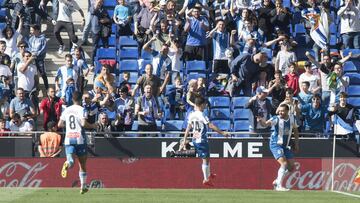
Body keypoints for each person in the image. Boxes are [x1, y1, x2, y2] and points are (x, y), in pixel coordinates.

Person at [182, 96, 229, 186]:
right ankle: (206, 179)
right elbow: (210, 125)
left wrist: (184, 140)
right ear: (201, 105)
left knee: (207, 158)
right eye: (204, 105)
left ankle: (208, 174)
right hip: (201, 140)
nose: (205, 106)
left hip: (195, 139)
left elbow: (188, 128)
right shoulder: (202, 115)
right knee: (205, 160)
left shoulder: (191, 114)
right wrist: (222, 133)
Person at [58, 91, 95, 194]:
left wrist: (69, 127)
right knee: (82, 164)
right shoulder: (82, 109)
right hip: (80, 139)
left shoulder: (67, 109)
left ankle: (67, 163)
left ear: (72, 99)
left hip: (69, 138)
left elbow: (60, 124)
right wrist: (92, 126)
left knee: (71, 161)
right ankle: (83, 187)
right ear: (80, 100)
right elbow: (83, 123)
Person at [257, 103, 299, 191]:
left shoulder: (292, 118)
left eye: (282, 111)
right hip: (275, 144)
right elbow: (265, 124)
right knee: (284, 163)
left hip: (285, 146)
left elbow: (295, 130)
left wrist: (296, 143)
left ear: (287, 111)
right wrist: (261, 121)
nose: (280, 112)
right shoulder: (276, 119)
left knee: (291, 167)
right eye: (279, 111)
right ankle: (279, 186)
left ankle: (277, 181)